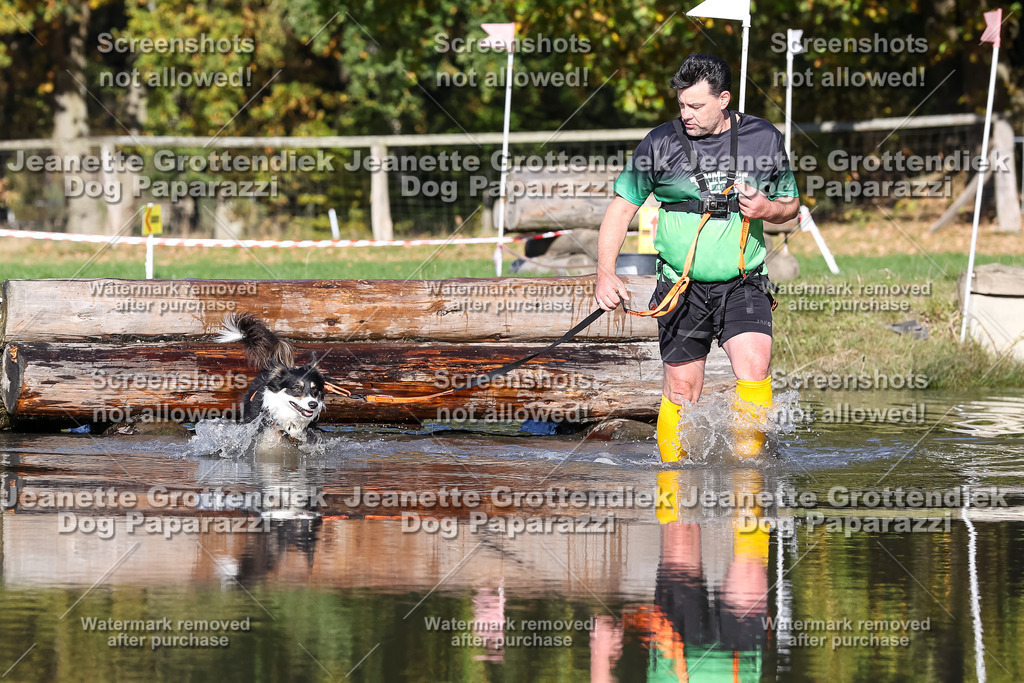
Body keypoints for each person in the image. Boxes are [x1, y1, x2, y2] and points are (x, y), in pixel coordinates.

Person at [594, 53, 799, 462]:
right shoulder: (660, 142)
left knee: (755, 366)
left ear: (723, 99)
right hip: (681, 287)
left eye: (696, 106)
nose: (686, 114)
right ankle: (672, 480)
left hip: (743, 282)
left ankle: (749, 477)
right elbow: (621, 208)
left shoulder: (764, 137)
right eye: (681, 105)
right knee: (683, 390)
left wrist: (767, 210)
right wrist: (605, 272)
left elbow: (790, 206)